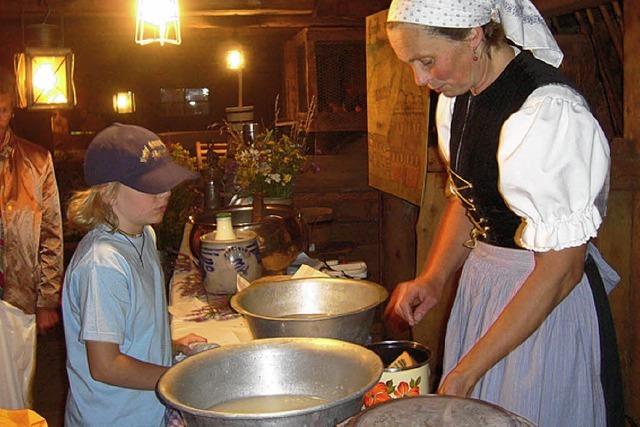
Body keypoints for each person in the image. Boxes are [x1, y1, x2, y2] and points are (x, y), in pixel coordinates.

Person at [383, 1, 624, 426]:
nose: (420, 79)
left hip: (540, 300)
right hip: (486, 287)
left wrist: (468, 371)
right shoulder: (459, 97)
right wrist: (435, 278)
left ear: (474, 35)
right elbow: (467, 195)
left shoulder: (547, 112)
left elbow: (562, 270)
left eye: (426, 61)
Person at [62, 123, 206, 426]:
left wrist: (171, 345)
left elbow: (136, 322)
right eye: (150, 186)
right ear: (109, 194)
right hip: (115, 418)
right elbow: (106, 366)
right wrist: (177, 379)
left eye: (165, 183)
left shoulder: (144, 234)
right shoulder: (103, 264)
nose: (165, 193)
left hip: (146, 412)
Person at [0, 68, 63, 408]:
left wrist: (47, 299)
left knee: (14, 400)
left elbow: (51, 234)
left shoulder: (36, 161)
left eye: (1, 110)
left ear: (12, 110)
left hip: (16, 297)